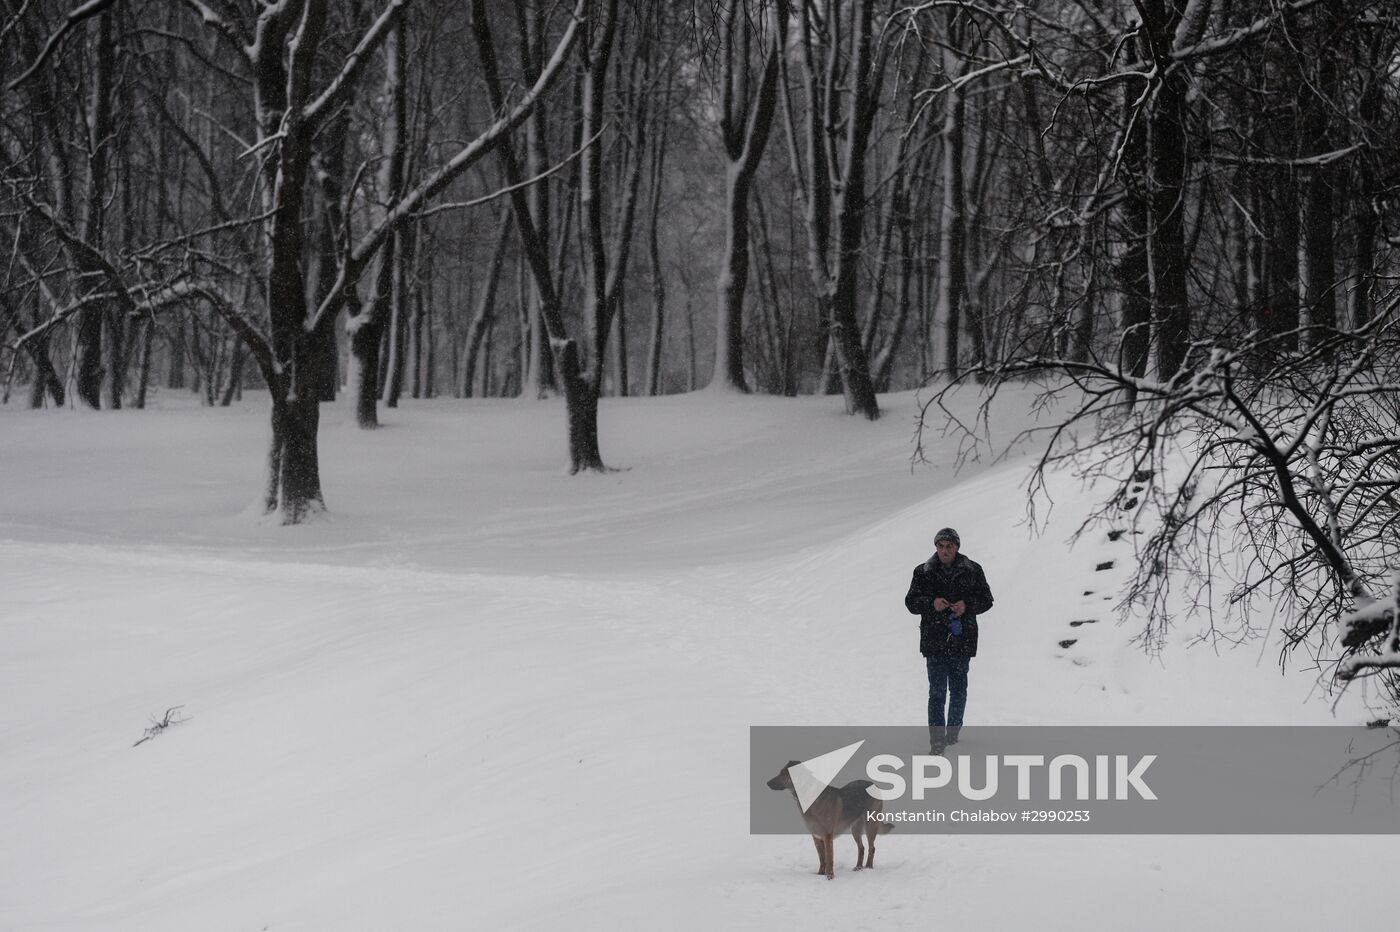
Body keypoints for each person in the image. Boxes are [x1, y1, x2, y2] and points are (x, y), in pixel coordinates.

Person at [904, 528, 994, 754]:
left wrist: (966, 605)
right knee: (936, 692)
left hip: (962, 638)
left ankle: (953, 732)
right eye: (941, 546)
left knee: (958, 688)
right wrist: (931, 603)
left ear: (957, 548)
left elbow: (987, 600)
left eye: (949, 546)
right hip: (934, 640)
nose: (944, 550)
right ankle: (936, 740)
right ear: (936, 547)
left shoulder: (973, 570)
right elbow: (911, 603)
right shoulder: (923, 572)